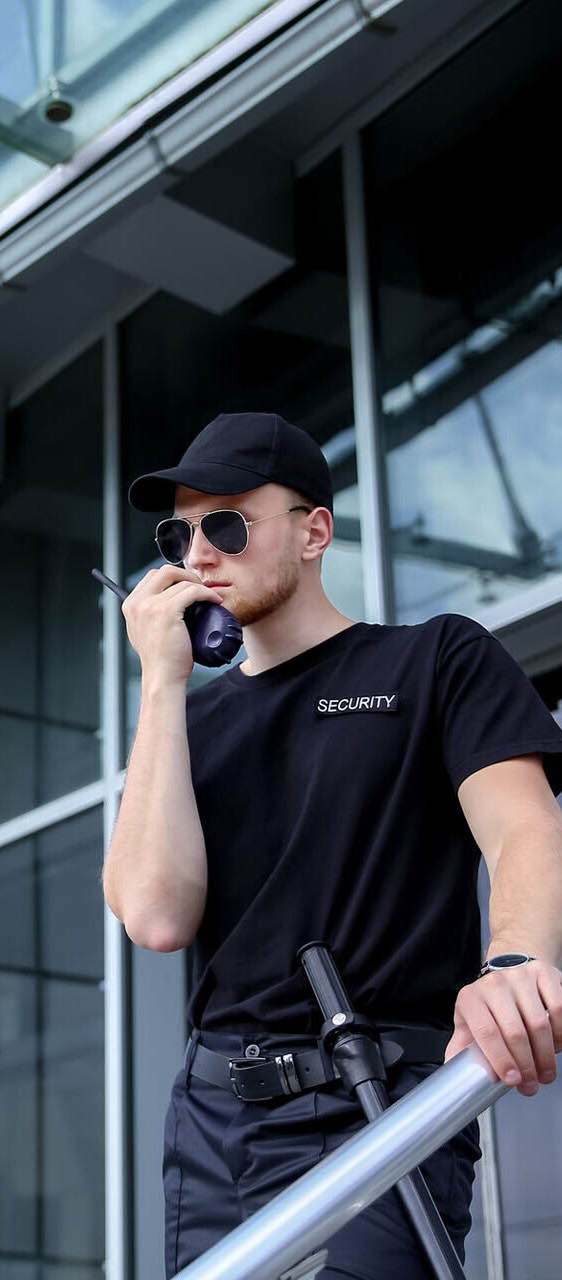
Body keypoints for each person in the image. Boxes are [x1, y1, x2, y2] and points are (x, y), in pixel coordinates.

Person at [102, 411, 562, 1278]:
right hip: (214, 1120)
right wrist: (161, 683)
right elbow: (156, 918)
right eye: (178, 535)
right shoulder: (186, 724)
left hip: (376, 1098)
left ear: (314, 532)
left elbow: (525, 826)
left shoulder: (434, 660)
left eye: (227, 524)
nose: (198, 554)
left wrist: (514, 962)